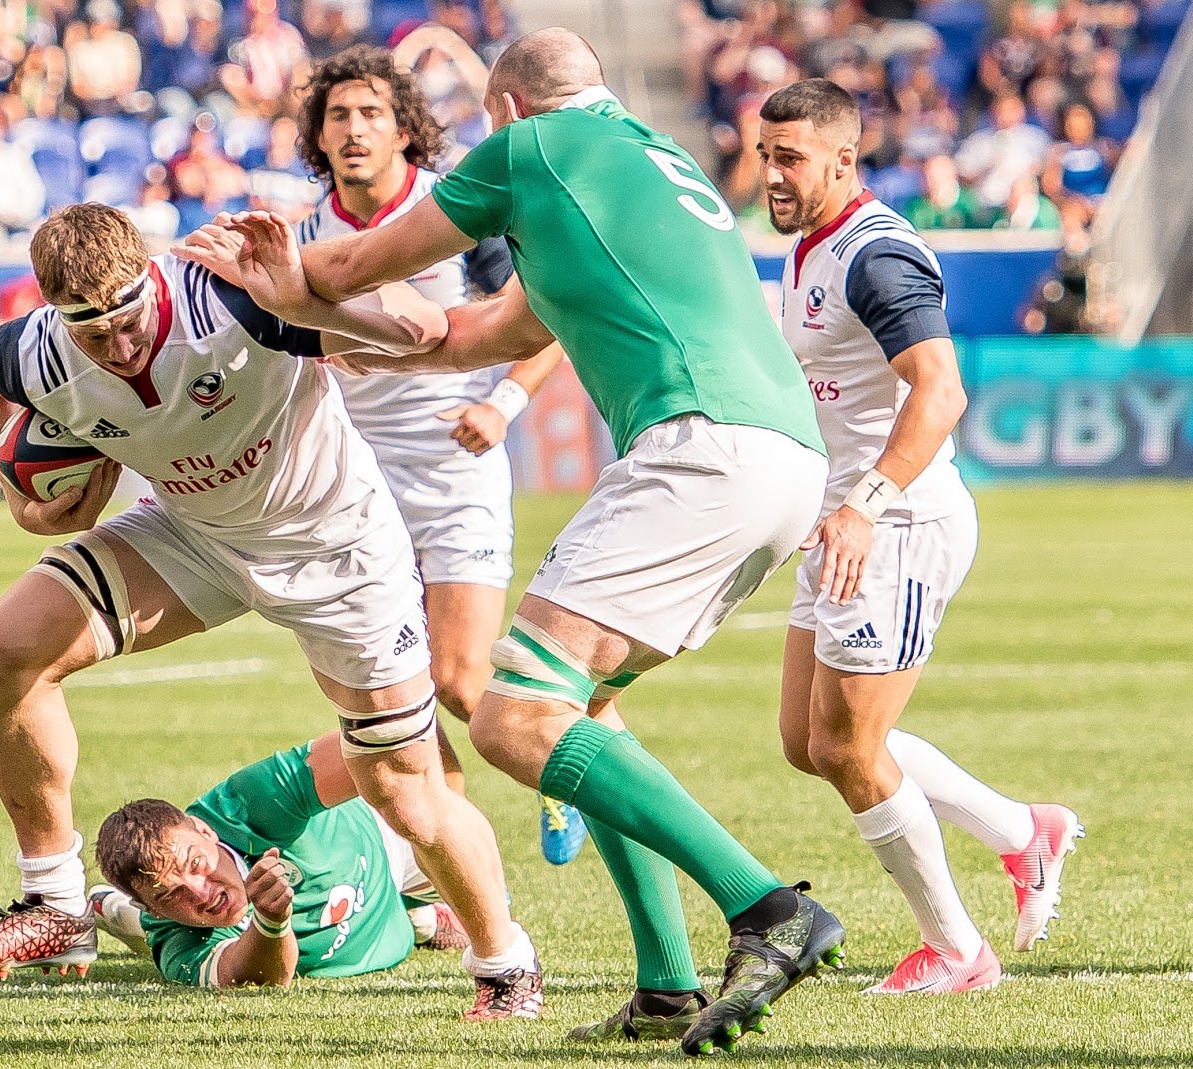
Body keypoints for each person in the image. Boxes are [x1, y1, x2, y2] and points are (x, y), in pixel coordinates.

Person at [229, 27, 844, 1056]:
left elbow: (363, 260)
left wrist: (282, 288)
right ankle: (663, 983)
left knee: (510, 716)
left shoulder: (527, 150)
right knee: (580, 705)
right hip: (779, 458)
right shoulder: (648, 158)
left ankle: (766, 906)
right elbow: (464, 336)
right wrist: (330, 331)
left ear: (507, 110)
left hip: (701, 447)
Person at [0, 202, 542, 1020]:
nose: (118, 344)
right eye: (90, 330)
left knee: (405, 790)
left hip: (338, 552)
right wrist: (26, 499)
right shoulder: (34, 352)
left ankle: (505, 966)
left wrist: (305, 301)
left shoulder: (231, 296)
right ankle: (56, 905)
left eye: (128, 316)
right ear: (52, 312)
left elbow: (426, 327)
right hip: (196, 536)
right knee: (0, 653)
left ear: (151, 276)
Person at [757, 78, 1084, 993]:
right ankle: (1024, 832)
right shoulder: (805, 247)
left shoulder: (875, 254)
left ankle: (955, 950)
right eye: (763, 156)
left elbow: (940, 390)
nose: (772, 175)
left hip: (895, 526)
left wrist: (861, 499)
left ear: (841, 159)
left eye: (789, 158)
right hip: (846, 527)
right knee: (806, 741)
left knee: (852, 751)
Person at [292, 44, 581, 864]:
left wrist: (503, 400)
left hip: (455, 467)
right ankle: (450, 865)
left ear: (404, 132)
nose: (353, 129)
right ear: (318, 135)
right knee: (393, 696)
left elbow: (549, 309)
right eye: (337, 115)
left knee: (458, 679)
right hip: (355, 485)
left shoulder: (454, 212)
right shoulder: (303, 235)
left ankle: (572, 742)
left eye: (371, 114)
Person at [88, 731, 472, 988]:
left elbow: (383, 740)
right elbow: (257, 980)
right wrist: (271, 920)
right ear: (154, 906)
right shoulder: (178, 940)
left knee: (455, 842)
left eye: (196, 865)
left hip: (382, 844)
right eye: (170, 895)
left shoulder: (249, 802)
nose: (201, 893)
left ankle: (112, 909)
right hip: (379, 932)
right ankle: (420, 919)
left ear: (204, 831)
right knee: (164, 934)